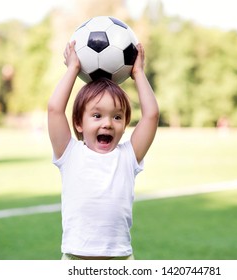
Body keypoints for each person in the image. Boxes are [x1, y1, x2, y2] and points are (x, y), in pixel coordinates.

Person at [47, 41, 159, 260]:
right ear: (78, 123)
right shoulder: (69, 154)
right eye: (97, 116)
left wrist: (138, 73)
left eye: (117, 117)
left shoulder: (128, 156)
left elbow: (151, 116)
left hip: (119, 261)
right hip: (75, 261)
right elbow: (54, 110)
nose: (108, 123)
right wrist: (72, 69)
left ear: (125, 124)